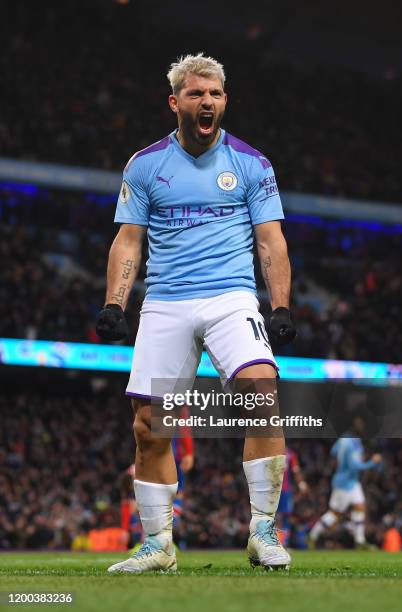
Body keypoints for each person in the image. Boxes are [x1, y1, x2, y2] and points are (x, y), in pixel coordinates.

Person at [96, 53, 296, 573]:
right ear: (175, 102)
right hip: (165, 299)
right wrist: (116, 303)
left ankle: (263, 532)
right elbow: (128, 240)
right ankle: (159, 545)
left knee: (261, 388)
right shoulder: (144, 166)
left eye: (215, 94)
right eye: (196, 94)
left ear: (224, 101)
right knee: (148, 425)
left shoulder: (252, 164)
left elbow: (271, 241)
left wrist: (279, 306)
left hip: (231, 296)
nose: (207, 102)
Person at [309, 417, 382, 548]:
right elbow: (355, 466)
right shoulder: (353, 442)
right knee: (335, 514)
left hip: (351, 481)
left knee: (360, 506)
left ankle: (359, 540)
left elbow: (333, 452)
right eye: (361, 426)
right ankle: (313, 535)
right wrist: (373, 462)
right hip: (345, 483)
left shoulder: (343, 439)